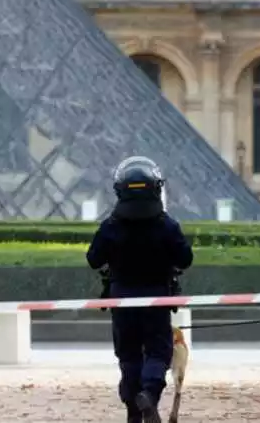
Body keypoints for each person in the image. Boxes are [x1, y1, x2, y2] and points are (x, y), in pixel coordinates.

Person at [87, 156, 194, 423]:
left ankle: (133, 411)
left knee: (129, 355)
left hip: (121, 299)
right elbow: (186, 259)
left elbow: (93, 259)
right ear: (156, 188)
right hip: (156, 298)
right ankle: (149, 392)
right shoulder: (166, 225)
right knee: (159, 352)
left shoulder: (111, 226)